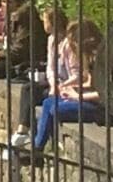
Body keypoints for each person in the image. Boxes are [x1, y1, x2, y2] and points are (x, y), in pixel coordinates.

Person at [21, 21, 107, 154]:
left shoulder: (102, 59)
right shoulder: (89, 58)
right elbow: (91, 83)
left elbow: (104, 94)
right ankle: (37, 147)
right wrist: (69, 87)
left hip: (102, 108)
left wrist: (77, 96)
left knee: (56, 109)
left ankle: (37, 149)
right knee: (48, 102)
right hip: (90, 100)